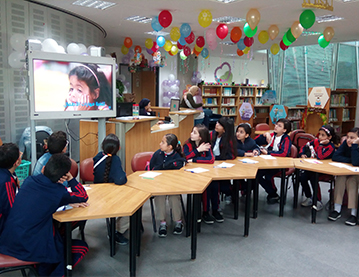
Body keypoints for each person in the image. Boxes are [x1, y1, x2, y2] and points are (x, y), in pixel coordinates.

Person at [0, 154, 89, 276]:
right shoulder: (59, 192)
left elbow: (39, 201)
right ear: (63, 175)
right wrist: (71, 179)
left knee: (56, 235)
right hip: (29, 247)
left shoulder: (29, 181)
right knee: (80, 247)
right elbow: (83, 196)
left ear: (43, 168)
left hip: (7, 240)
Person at [93, 133, 128, 244]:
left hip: (97, 193)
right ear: (119, 148)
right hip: (110, 196)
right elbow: (120, 180)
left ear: (102, 146)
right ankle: (117, 231)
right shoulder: (115, 160)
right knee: (133, 204)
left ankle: (116, 227)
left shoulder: (97, 157)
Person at [149, 133, 186, 238]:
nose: (160, 144)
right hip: (159, 184)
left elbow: (179, 170)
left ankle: (178, 221)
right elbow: (151, 168)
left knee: (174, 197)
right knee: (159, 197)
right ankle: (162, 222)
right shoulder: (158, 154)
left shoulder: (178, 156)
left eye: (163, 142)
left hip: (173, 185)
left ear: (170, 147)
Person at [202, 117, 236, 224]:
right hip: (208, 165)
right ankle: (206, 211)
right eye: (217, 123)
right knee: (208, 185)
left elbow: (231, 156)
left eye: (220, 124)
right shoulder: (212, 135)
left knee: (215, 184)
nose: (216, 125)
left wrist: (216, 159)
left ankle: (215, 209)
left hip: (220, 167)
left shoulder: (229, 140)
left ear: (225, 129)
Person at [299, 125, 339, 211]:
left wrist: (320, 145)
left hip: (324, 170)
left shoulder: (330, 147)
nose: (320, 137)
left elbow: (320, 157)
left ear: (330, 137)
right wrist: (302, 153)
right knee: (302, 177)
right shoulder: (316, 141)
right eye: (319, 134)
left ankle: (318, 200)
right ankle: (309, 197)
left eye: (323, 135)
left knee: (314, 177)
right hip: (314, 167)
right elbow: (305, 146)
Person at [255, 118, 292, 204]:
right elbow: (255, 142)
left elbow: (284, 153)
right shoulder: (273, 135)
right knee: (257, 174)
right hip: (269, 163)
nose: (276, 127)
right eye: (276, 124)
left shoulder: (286, 139)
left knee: (268, 176)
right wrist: (265, 134)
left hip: (280, 165)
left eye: (279, 126)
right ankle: (272, 192)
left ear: (284, 130)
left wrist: (268, 153)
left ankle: (272, 192)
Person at [328, 127, 359, 226]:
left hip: (356, 174)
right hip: (346, 171)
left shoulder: (354, 145)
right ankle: (337, 210)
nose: (349, 140)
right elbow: (335, 157)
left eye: (352, 138)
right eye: (348, 137)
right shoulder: (345, 144)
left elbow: (356, 162)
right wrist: (350, 160)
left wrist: (354, 146)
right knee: (340, 178)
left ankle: (353, 214)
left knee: (352, 182)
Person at [0, 143, 22, 235]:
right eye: (19, 154)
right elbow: (11, 211)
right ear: (16, 163)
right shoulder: (6, 182)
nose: (21, 153)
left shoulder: (8, 174)